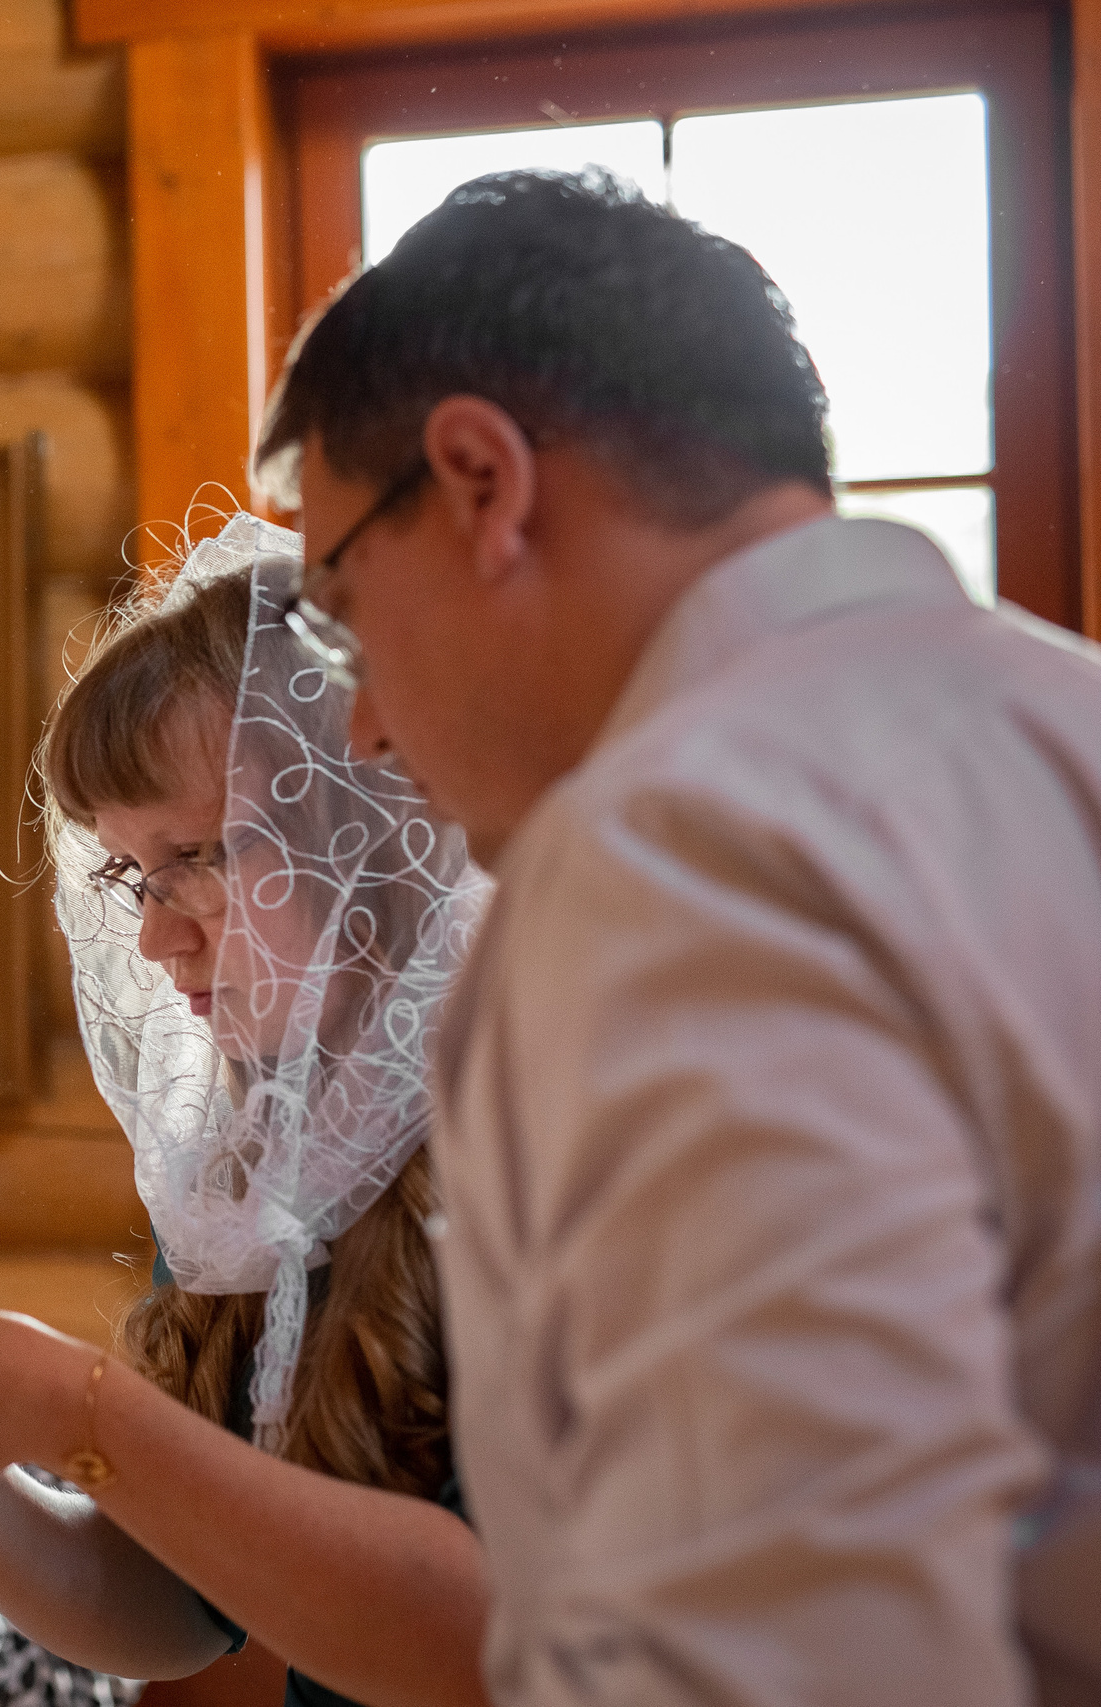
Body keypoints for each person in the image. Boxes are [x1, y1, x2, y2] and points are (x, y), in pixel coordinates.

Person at [255, 169, 1101, 1701]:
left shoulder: (679, 850)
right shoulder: (1065, 716)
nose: (366, 721)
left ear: (479, 482)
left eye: (341, 602)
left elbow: (773, 1657)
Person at [0, 517, 495, 1707]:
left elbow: (481, 1644)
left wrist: (66, 1402)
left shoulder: (535, 1139)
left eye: (196, 855)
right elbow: (184, 1606)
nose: (155, 937)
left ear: (364, 833)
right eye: (131, 877)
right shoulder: (256, 1180)